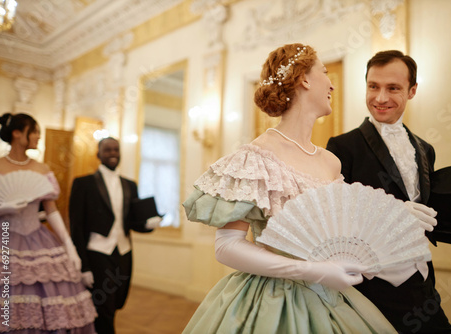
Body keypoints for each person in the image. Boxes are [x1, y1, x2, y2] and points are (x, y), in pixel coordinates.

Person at [181, 43, 436, 333]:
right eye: (325, 73)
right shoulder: (253, 158)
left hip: (331, 299)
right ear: (304, 79)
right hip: (270, 300)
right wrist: (310, 270)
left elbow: (348, 229)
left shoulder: (330, 162)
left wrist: (395, 213)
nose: (331, 84)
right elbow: (226, 247)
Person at [326, 50, 451, 333]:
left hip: (423, 283)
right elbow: (335, 220)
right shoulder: (343, 148)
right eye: (373, 86)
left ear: (412, 90)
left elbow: (426, 217)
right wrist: (389, 214)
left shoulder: (425, 149)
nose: (380, 98)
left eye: (393, 88)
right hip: (371, 288)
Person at [0, 113, 96, 333]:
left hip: (38, 238)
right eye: (35, 131)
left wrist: (70, 247)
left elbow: (51, 210)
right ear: (17, 133)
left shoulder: (42, 169)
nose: (39, 136)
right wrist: (3, 210)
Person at [69, 137, 161, 334]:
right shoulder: (83, 183)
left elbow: (133, 223)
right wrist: (83, 267)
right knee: (105, 308)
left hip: (124, 252)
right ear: (98, 154)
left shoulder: (130, 185)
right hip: (97, 252)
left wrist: (149, 225)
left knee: (118, 301)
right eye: (108, 149)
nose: (113, 153)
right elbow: (76, 227)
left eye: (116, 149)